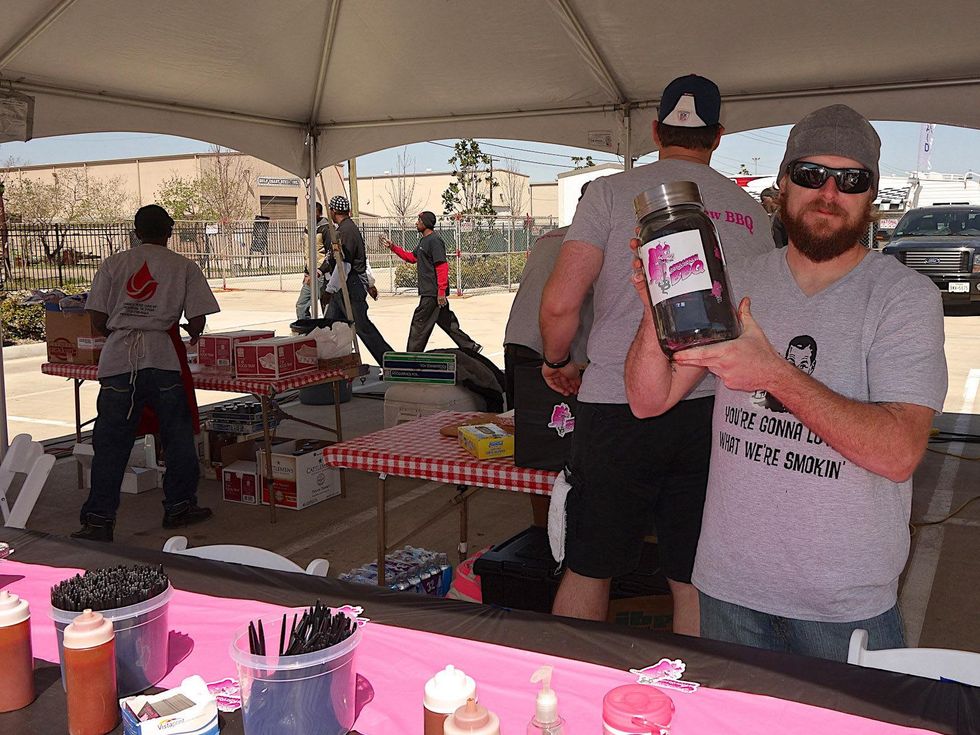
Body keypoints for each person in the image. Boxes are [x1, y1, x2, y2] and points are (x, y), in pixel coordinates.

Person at [624, 104, 947, 661]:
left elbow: (898, 452)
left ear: (872, 195)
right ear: (782, 183)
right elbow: (648, 400)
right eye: (810, 174)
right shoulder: (740, 281)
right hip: (728, 586)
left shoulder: (905, 298)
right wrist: (659, 304)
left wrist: (773, 372)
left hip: (843, 605)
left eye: (851, 180)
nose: (828, 192)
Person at [539, 74, 774, 633]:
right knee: (692, 573)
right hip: (715, 406)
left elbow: (560, 303)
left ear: (654, 130)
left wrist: (556, 362)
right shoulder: (750, 211)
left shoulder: (611, 192)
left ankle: (569, 695)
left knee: (590, 564)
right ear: (718, 137)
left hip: (617, 404)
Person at [73, 204, 220, 542]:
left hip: (118, 361)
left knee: (110, 442)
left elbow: (96, 318)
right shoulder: (183, 266)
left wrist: (123, 330)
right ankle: (179, 506)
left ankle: (99, 520)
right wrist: (176, 325)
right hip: (162, 358)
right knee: (177, 436)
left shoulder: (114, 263)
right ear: (169, 231)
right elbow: (197, 321)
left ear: (136, 232)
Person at [503, 182, 593, 526]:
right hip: (556, 356)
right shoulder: (598, 244)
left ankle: (542, 525)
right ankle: (560, 526)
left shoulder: (547, 238)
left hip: (517, 343)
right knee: (564, 444)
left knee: (535, 443)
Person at [385, 211, 481, 354]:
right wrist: (393, 247)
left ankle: (411, 356)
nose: (416, 223)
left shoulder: (434, 241)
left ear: (425, 223)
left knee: (419, 323)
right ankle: (470, 347)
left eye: (419, 220)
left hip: (433, 293)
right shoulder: (424, 241)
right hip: (433, 292)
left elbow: (442, 266)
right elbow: (411, 257)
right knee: (446, 321)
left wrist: (441, 292)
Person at [322, 195, 394, 366]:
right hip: (345, 287)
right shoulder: (349, 229)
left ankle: (391, 362)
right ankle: (334, 364)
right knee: (330, 327)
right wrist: (369, 283)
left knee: (363, 327)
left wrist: (329, 290)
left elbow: (345, 266)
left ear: (333, 211)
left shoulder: (346, 232)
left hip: (350, 286)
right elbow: (362, 260)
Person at [295, 202, 336, 320]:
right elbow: (307, 252)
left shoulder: (326, 228)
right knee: (301, 305)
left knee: (326, 306)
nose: (311, 216)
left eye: (314, 213)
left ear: (320, 213)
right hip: (311, 273)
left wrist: (320, 270)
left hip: (321, 274)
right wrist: (306, 271)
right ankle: (306, 331)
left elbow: (331, 253)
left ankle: (327, 331)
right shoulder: (308, 228)